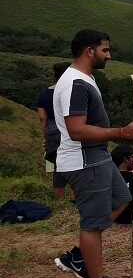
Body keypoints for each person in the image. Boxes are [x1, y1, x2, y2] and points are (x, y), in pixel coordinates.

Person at [52, 29, 133, 278]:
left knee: (122, 198)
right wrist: (120, 133)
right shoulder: (75, 84)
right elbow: (76, 130)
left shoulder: (84, 79)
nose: (109, 55)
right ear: (89, 50)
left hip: (97, 156)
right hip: (84, 160)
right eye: (105, 50)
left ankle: (79, 256)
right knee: (92, 224)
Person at [37, 61, 71, 200]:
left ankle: (59, 200)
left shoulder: (44, 94)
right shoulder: (70, 91)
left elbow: (42, 118)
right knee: (76, 165)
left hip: (52, 131)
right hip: (70, 128)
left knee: (58, 167)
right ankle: (76, 200)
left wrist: (45, 137)